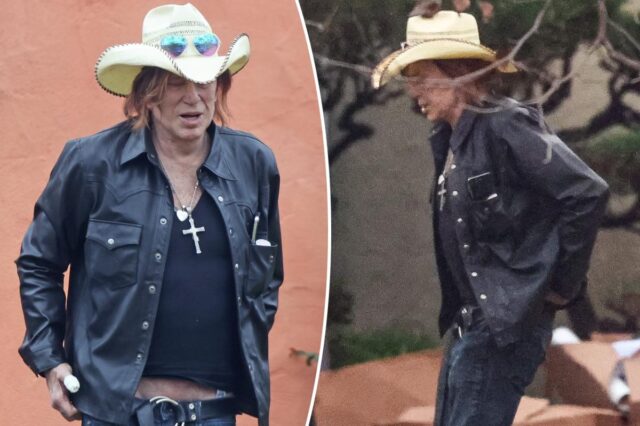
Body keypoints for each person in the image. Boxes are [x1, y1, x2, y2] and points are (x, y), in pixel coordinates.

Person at [17, 4, 283, 426]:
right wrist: (51, 360)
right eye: (176, 82)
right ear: (146, 92)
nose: (193, 97)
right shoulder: (92, 163)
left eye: (204, 80)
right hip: (116, 413)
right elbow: (39, 262)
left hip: (215, 412)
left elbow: (267, 277)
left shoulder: (253, 163)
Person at [372, 7, 609, 426]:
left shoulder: (506, 124)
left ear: (460, 74)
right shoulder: (449, 139)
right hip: (470, 325)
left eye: (422, 76)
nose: (414, 91)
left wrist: (562, 286)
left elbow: (586, 191)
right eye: (409, 78)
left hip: (502, 328)